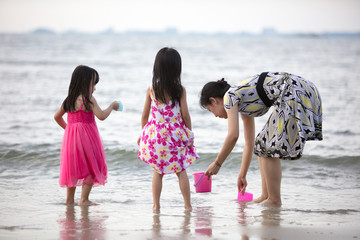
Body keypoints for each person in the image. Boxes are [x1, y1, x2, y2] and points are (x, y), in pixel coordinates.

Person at [200, 72, 322, 205]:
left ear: (213, 100)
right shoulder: (241, 100)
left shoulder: (229, 97)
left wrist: (217, 163)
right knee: (262, 144)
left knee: (266, 147)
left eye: (211, 110)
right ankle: (266, 195)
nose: (215, 115)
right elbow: (250, 143)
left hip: (294, 92)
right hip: (302, 89)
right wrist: (242, 174)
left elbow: (233, 135)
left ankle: (274, 199)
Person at [138, 47, 199, 211]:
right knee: (181, 171)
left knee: (158, 172)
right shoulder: (180, 90)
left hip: (155, 137)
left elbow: (145, 116)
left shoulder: (151, 90)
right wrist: (190, 134)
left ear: (156, 68)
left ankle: (156, 206)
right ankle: (187, 206)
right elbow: (185, 115)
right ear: (176, 69)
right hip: (174, 137)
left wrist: (143, 134)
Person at [54, 65, 119, 206]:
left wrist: (69, 130)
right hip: (87, 140)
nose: (94, 88)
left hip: (71, 140)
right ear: (85, 83)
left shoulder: (69, 100)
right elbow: (101, 116)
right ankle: (83, 199)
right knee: (90, 167)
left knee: (72, 169)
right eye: (93, 84)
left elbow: (57, 117)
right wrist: (112, 106)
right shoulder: (88, 100)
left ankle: (69, 200)